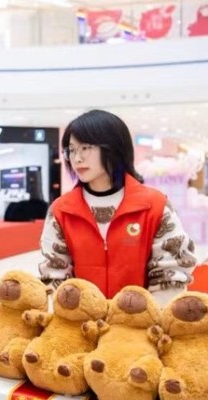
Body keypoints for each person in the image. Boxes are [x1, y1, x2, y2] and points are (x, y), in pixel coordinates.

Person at [38, 109, 195, 305]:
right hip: (81, 320)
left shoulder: (155, 206)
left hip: (142, 320)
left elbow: (172, 274)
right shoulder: (61, 211)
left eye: (85, 148)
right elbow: (54, 275)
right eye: (71, 150)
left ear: (113, 147)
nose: (77, 158)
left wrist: (142, 316)